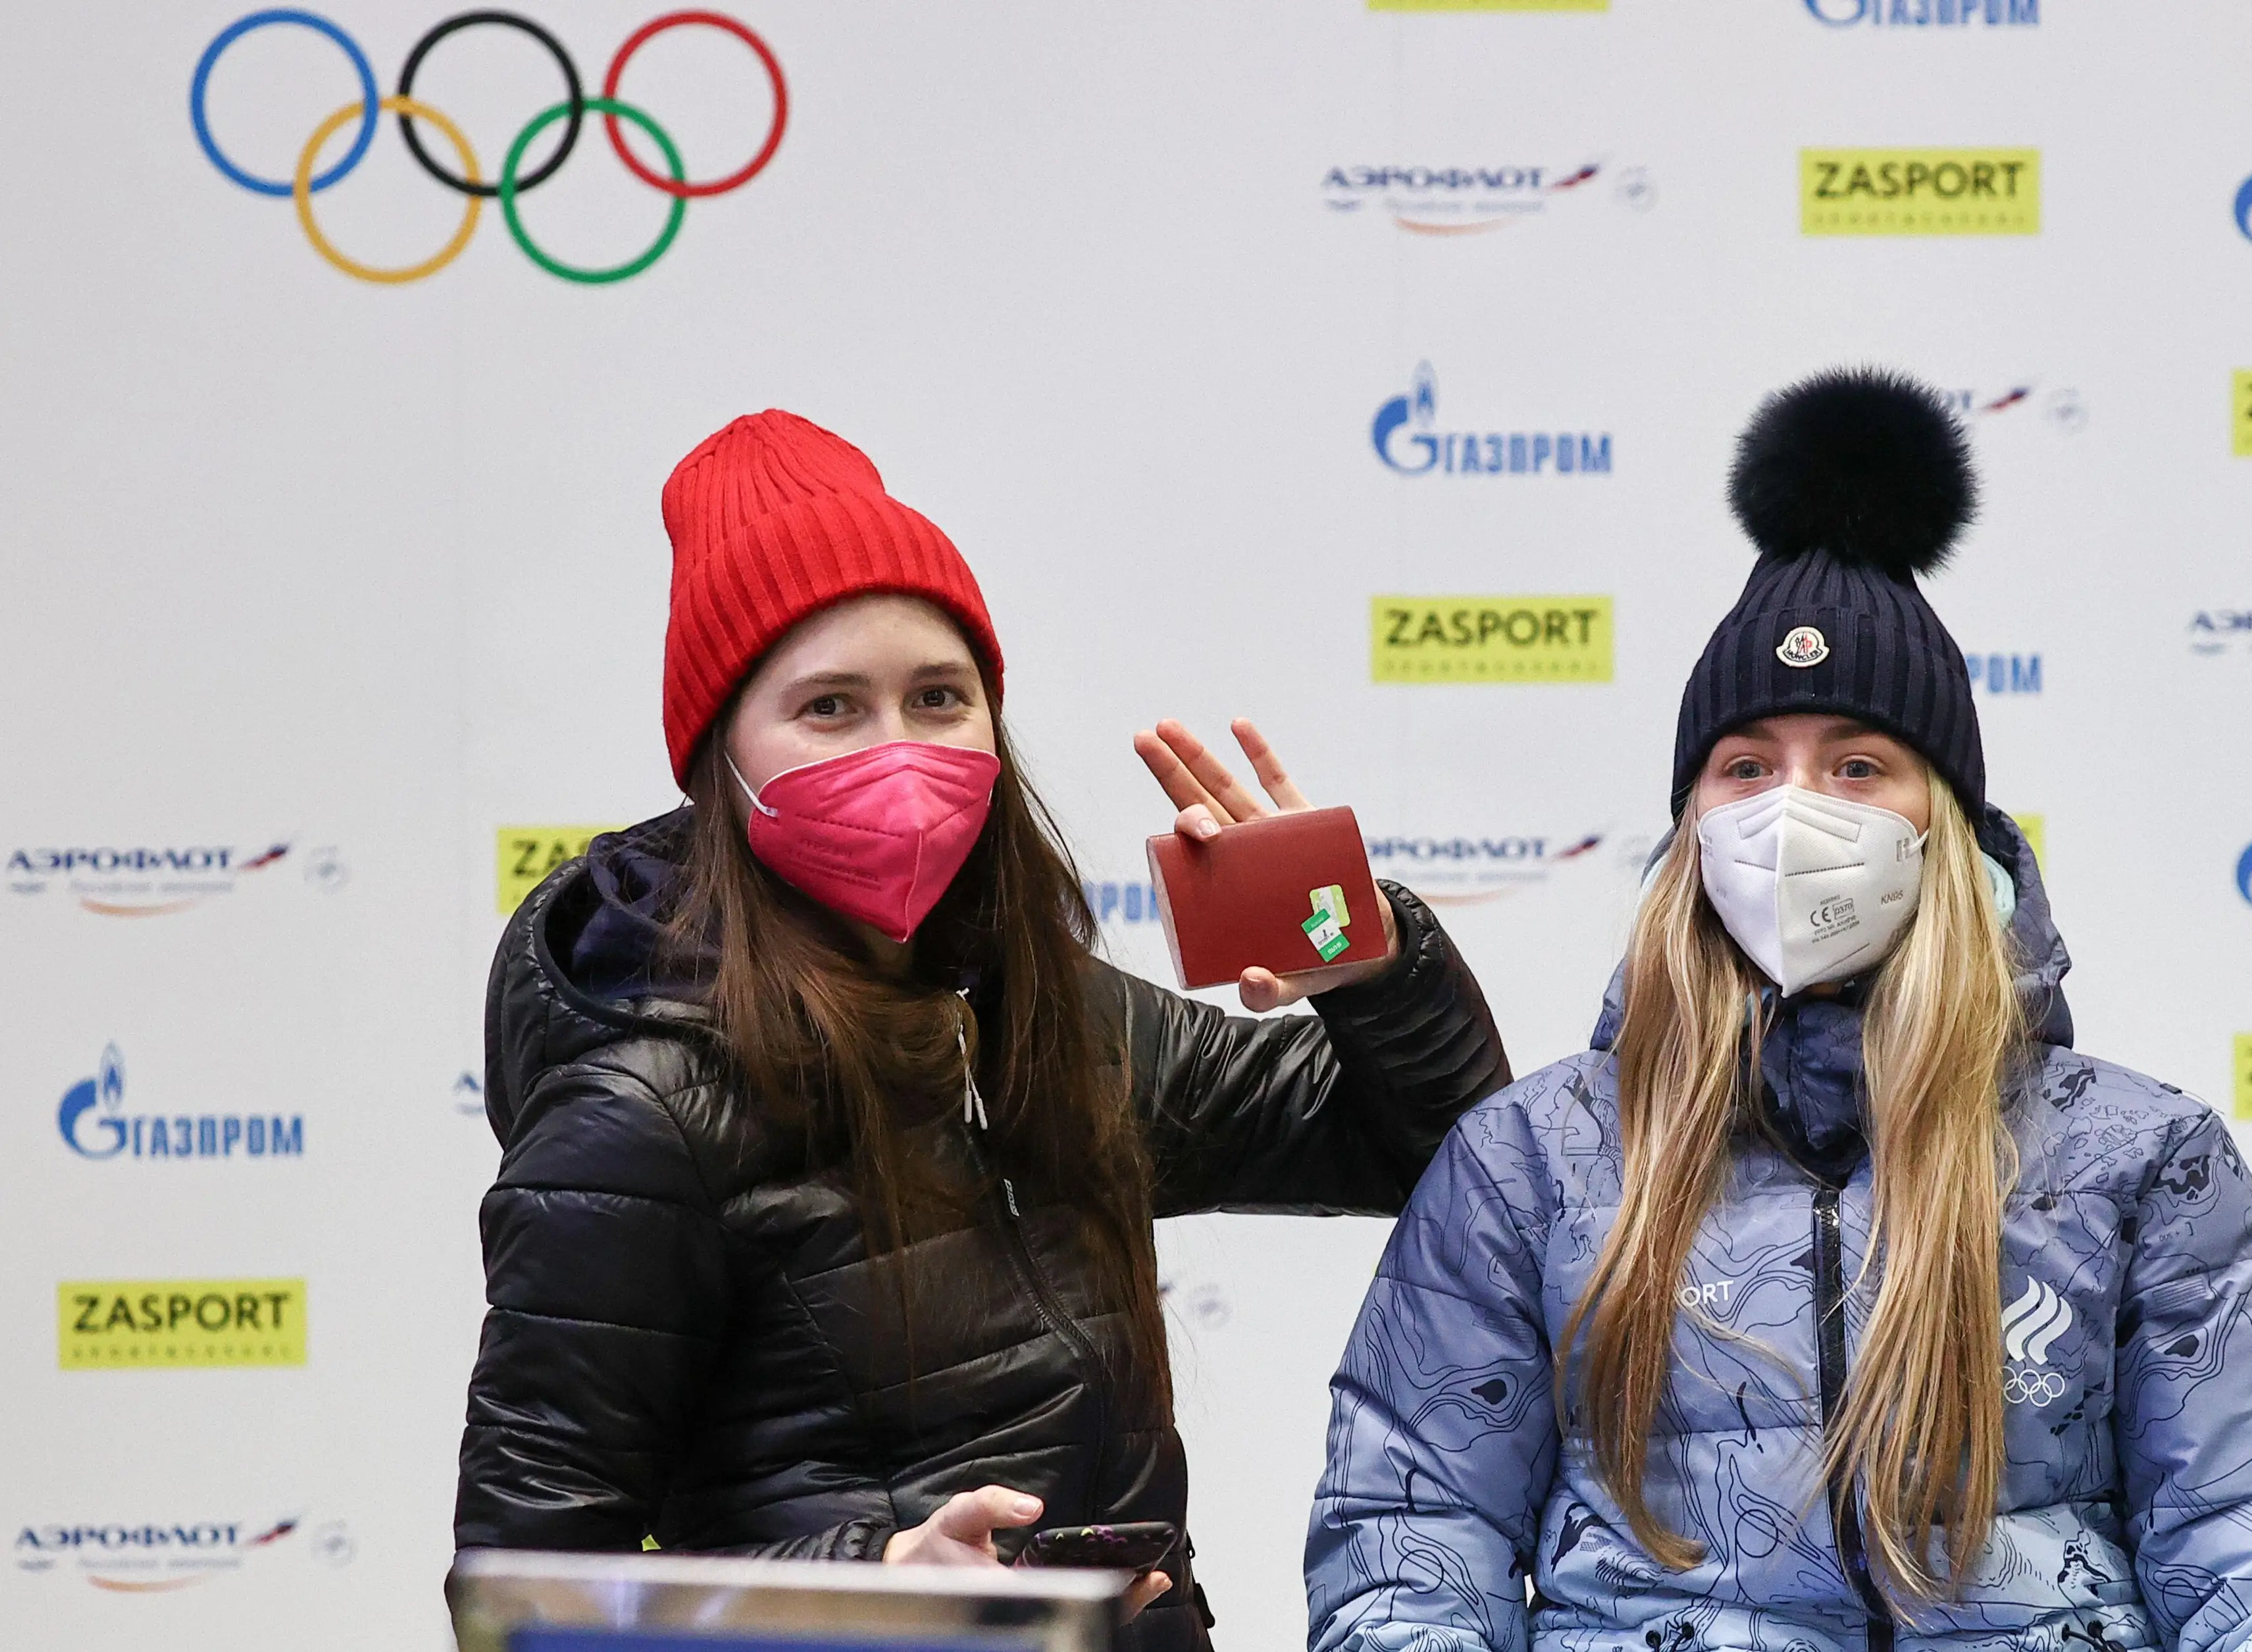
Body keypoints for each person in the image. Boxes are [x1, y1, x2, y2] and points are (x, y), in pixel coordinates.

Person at [1305, 371, 2252, 1652]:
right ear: (1692, 823)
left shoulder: (2142, 1155)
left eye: (1859, 764)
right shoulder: (1529, 1159)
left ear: (1949, 823)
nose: (1797, 807)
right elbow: (1410, 1551)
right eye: (1749, 764)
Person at [454, 410, 1511, 1652]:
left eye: (938, 696)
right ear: (722, 762)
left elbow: (1439, 1155)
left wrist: (1356, 947)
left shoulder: (1038, 1016)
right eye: (831, 706)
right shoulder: (641, 1113)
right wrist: (880, 1585)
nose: (899, 749)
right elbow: (531, 1594)